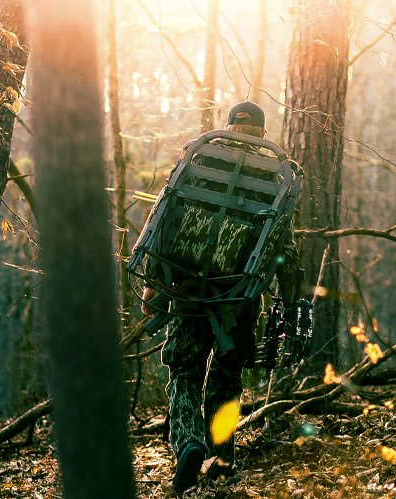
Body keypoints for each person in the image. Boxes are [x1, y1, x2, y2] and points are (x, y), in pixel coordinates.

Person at [140, 101, 301, 494]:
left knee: (184, 373)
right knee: (226, 379)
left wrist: (152, 285)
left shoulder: (199, 161)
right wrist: (288, 299)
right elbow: (286, 251)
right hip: (241, 298)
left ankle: (190, 444)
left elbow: (162, 221)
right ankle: (222, 457)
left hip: (190, 291)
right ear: (262, 133)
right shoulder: (276, 175)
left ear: (228, 125)